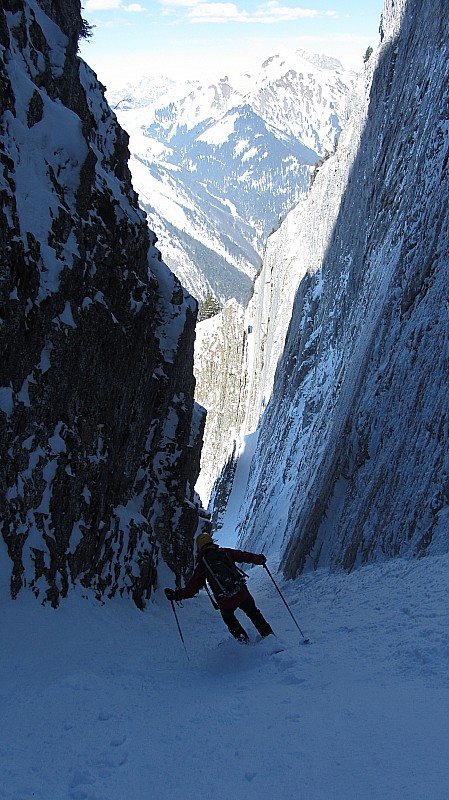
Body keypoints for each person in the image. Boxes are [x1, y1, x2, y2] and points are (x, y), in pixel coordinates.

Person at [164, 531, 274, 643]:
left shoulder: (202, 565)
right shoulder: (225, 552)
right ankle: (269, 636)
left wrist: (176, 595)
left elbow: (192, 589)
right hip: (241, 593)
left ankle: (244, 643)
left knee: (230, 619)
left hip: (225, 601)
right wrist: (260, 559)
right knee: (254, 613)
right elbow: (243, 556)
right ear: (211, 541)